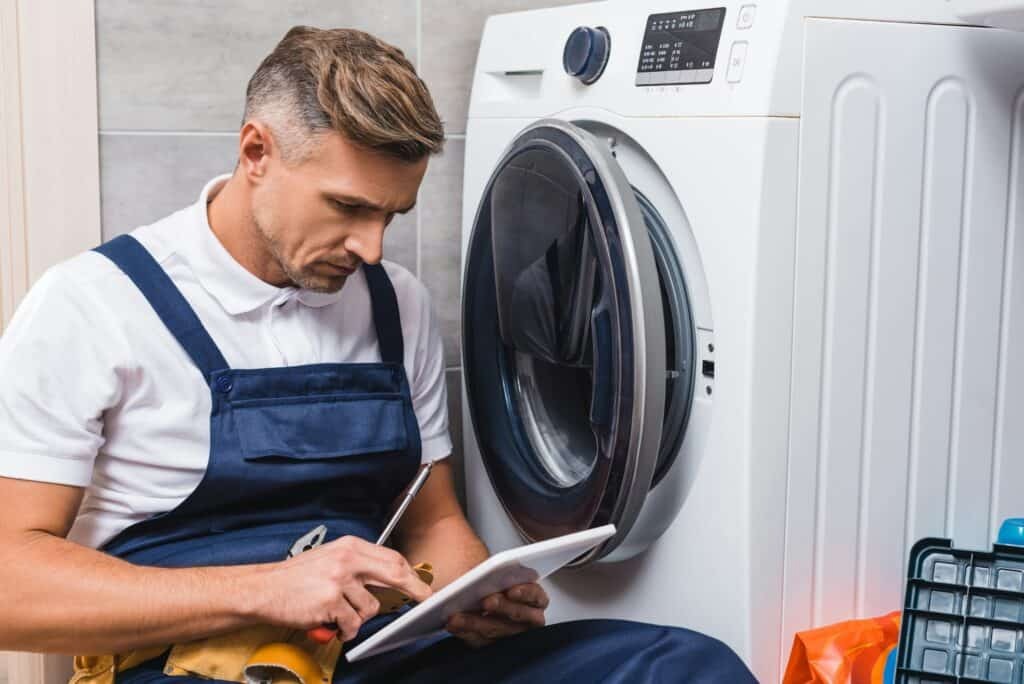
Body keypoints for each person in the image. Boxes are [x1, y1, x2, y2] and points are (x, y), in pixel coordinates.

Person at [0, 26, 756, 683]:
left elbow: (434, 525)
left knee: (683, 666)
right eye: (348, 207)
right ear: (256, 151)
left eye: (392, 214)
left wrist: (472, 596)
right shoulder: (92, 306)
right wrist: (267, 589)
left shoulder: (396, 303)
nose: (372, 247)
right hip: (186, 668)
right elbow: (10, 586)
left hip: (373, 658)